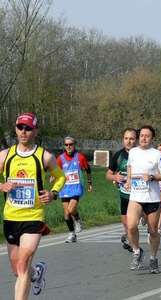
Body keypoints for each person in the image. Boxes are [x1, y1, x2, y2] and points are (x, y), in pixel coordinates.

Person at [0, 112, 66, 299]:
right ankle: (36, 275)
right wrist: (1, 185)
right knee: (18, 270)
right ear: (15, 128)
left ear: (36, 131)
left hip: (33, 217)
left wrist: (53, 194)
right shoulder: (5, 155)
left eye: (28, 128)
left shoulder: (44, 157)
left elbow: (61, 177)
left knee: (22, 264)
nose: (23, 131)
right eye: (20, 127)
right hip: (11, 217)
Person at [124, 125, 161, 274]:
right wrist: (129, 180)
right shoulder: (133, 152)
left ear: (152, 138)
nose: (143, 138)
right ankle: (137, 252)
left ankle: (153, 258)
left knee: (153, 231)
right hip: (136, 197)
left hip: (152, 198)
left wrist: (152, 177)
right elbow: (130, 166)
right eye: (141, 135)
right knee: (131, 226)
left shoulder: (157, 155)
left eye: (147, 136)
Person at [53, 136, 93, 243]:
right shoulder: (60, 158)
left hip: (76, 188)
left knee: (71, 210)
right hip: (64, 188)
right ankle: (72, 234)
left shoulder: (80, 157)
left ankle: (78, 218)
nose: (68, 147)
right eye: (66, 145)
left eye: (70, 144)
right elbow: (56, 170)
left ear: (75, 145)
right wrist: (54, 177)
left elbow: (88, 169)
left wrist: (90, 183)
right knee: (66, 213)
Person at [105, 128, 137, 252]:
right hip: (123, 194)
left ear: (136, 140)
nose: (128, 141)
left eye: (131, 139)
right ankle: (132, 242)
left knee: (132, 224)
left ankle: (134, 245)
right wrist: (115, 177)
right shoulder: (118, 155)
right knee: (126, 224)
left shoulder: (141, 154)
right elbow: (108, 174)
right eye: (126, 138)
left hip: (138, 195)